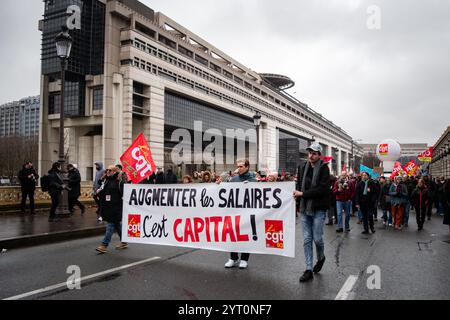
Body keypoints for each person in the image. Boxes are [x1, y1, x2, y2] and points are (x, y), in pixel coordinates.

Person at [294, 143, 330, 282]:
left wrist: (303, 194)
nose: (311, 155)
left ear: (319, 155)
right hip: (304, 208)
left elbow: (322, 189)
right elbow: (298, 185)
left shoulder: (324, 168)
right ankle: (308, 268)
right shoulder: (302, 167)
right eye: (309, 152)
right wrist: (298, 198)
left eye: (314, 153)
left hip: (318, 208)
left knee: (318, 239)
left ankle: (321, 257)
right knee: (307, 239)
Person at [223, 159, 257, 270]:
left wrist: (252, 185)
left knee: (245, 234)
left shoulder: (253, 179)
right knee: (232, 234)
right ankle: (233, 258)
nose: (239, 168)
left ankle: (244, 259)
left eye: (241, 166)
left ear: (247, 167)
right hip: (234, 211)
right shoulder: (233, 179)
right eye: (238, 166)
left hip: (247, 211)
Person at [96, 166, 127, 253]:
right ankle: (124, 241)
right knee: (117, 225)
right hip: (108, 207)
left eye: (110, 170)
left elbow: (124, 193)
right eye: (107, 170)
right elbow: (106, 193)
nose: (107, 171)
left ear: (114, 171)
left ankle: (104, 245)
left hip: (116, 208)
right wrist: (99, 192)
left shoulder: (119, 181)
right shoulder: (107, 180)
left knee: (110, 225)